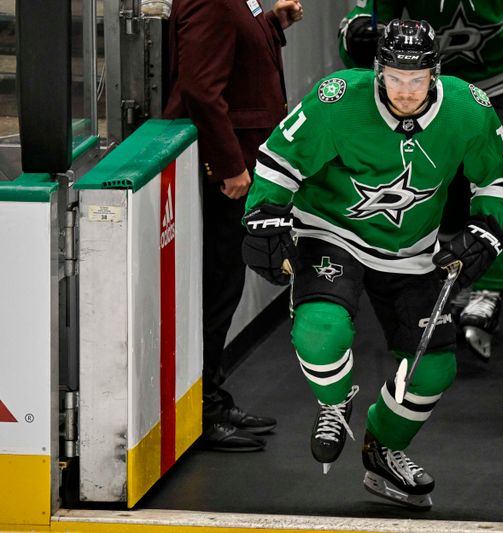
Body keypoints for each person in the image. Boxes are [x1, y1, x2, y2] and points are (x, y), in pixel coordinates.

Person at [241, 19, 503, 508]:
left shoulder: (467, 109)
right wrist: (263, 213)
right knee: (321, 330)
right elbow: (280, 159)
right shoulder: (337, 98)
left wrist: (486, 230)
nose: (405, 91)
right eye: (394, 78)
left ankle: (382, 448)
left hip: (412, 249)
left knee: (434, 370)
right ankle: (337, 399)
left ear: (435, 73)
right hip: (331, 230)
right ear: (377, 71)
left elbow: (499, 178)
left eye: (416, 80)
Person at [337, 0, 503, 361]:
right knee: (433, 178)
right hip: (438, 85)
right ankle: (448, 277)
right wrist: (356, 34)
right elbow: (361, 25)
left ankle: (488, 289)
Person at [162, 0, 304, 452]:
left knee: (224, 286)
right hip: (225, 172)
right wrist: (229, 166)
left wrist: (272, 23)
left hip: (238, 164)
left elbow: (238, 51)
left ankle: (211, 397)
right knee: (216, 288)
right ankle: (201, 409)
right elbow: (201, 89)